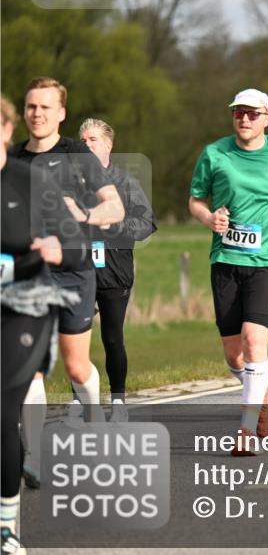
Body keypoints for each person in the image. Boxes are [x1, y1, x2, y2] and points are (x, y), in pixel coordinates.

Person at [189, 89, 268, 455]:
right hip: (227, 260)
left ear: (267, 117)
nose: (244, 119)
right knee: (233, 355)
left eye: (252, 114)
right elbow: (196, 200)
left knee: (254, 341)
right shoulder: (214, 154)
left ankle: (244, 432)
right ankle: (261, 392)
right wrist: (209, 218)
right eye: (238, 113)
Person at [11, 77, 124, 442]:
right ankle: (32, 455)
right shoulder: (13, 158)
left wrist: (84, 215)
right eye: (31, 107)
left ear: (60, 112)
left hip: (73, 271)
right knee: (32, 367)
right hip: (28, 274)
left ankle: (96, 423)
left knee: (76, 367)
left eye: (45, 107)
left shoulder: (77, 154)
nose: (37, 113)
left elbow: (115, 207)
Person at [2, 95, 89, 555]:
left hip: (23, 309)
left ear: (5, 130)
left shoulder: (30, 180)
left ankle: (6, 529)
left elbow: (76, 244)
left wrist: (58, 247)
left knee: (2, 410)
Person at [79, 119, 157, 422]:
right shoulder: (70, 182)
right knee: (76, 338)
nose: (87, 145)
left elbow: (146, 224)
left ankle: (118, 402)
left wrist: (113, 225)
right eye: (83, 140)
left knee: (112, 338)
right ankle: (80, 405)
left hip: (115, 270)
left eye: (93, 139)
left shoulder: (125, 183)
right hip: (79, 270)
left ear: (109, 145)